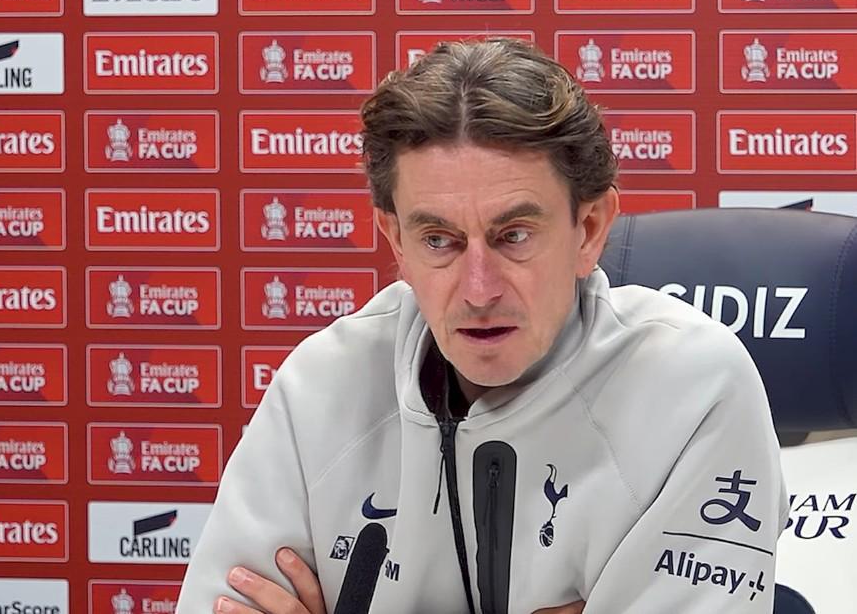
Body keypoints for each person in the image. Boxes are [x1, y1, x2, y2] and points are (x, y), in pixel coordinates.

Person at [177, 39, 788, 614]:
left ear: (589, 229)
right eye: (438, 240)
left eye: (513, 236)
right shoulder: (323, 384)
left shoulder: (692, 388)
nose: (478, 290)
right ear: (396, 240)